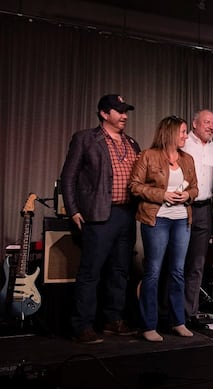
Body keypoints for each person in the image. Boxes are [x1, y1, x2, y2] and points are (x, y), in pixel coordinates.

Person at [60, 94, 140, 344]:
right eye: (119, 111)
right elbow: (68, 177)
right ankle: (82, 325)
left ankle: (112, 320)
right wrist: (73, 210)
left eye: (126, 110)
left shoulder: (132, 142)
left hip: (127, 213)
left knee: (120, 270)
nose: (124, 115)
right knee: (91, 271)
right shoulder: (86, 138)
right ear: (104, 114)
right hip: (98, 214)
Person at [130, 115, 199, 342]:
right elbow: (135, 186)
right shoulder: (148, 156)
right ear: (169, 133)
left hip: (181, 219)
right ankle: (149, 324)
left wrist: (187, 195)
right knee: (153, 272)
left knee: (178, 272)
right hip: (157, 219)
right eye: (182, 132)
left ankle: (177, 321)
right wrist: (163, 195)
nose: (186, 136)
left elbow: (196, 189)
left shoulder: (187, 159)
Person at [181, 109, 213, 330]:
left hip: (205, 209)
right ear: (194, 123)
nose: (210, 126)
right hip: (181, 208)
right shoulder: (183, 144)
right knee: (177, 263)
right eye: (206, 122)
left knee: (197, 264)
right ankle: (171, 313)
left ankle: (190, 312)